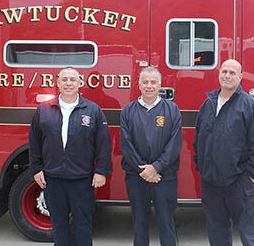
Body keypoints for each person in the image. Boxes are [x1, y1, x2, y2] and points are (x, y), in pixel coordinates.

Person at [193, 59, 254, 246]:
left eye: (232, 73)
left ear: (240, 77)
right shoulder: (208, 104)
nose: (227, 76)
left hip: (239, 184)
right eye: (224, 71)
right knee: (217, 232)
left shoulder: (251, 107)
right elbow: (198, 139)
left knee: (249, 235)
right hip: (211, 183)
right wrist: (202, 165)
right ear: (219, 74)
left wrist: (250, 175)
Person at [29, 66, 112, 246]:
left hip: (82, 180)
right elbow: (34, 142)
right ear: (57, 83)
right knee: (59, 225)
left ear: (80, 83)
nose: (68, 83)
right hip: (53, 179)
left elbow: (103, 143)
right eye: (64, 79)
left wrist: (101, 171)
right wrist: (36, 169)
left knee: (83, 225)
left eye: (72, 80)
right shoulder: (43, 110)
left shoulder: (93, 110)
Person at [120, 66, 182, 246]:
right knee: (140, 222)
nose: (149, 86)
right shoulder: (127, 111)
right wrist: (144, 170)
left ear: (160, 85)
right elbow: (126, 145)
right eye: (145, 82)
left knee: (166, 222)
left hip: (165, 176)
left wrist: (156, 167)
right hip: (136, 176)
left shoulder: (172, 110)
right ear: (138, 85)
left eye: (153, 82)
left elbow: (174, 144)